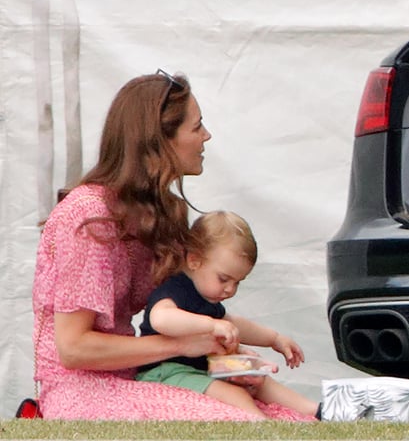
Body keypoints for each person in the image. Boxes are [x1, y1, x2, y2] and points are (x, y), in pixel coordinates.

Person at [31, 70, 314, 421]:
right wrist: (180, 345)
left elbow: (194, 315)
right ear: (158, 140)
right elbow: (73, 349)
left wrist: (226, 359)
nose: (206, 136)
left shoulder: (163, 213)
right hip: (80, 391)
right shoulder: (89, 215)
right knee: (238, 421)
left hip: (140, 374)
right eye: (196, 127)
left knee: (285, 417)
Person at [136, 210, 320, 419]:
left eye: (237, 282)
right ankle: (263, 425)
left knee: (254, 376)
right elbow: (161, 319)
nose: (230, 290)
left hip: (203, 368)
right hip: (165, 371)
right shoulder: (177, 289)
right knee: (235, 393)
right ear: (194, 260)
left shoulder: (208, 298)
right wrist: (211, 326)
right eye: (224, 279)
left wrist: (274, 339)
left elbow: (233, 324)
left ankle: (314, 410)